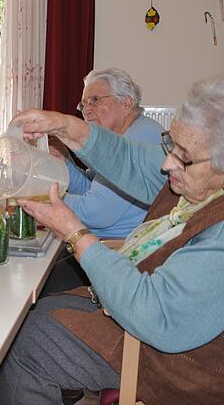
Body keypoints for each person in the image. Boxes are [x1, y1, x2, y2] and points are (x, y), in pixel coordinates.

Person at [0, 75, 224, 404]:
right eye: (171, 145)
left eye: (182, 156)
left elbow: (159, 317)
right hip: (176, 314)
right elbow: (133, 161)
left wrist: (75, 234)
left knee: (32, 344)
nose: (168, 163)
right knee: (34, 316)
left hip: (199, 355)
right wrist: (63, 125)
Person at [41, 68, 164, 294]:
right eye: (83, 104)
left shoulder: (142, 137)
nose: (86, 110)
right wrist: (64, 163)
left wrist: (41, 195)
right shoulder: (125, 135)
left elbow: (94, 211)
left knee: (37, 283)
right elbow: (91, 187)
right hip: (100, 244)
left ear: (126, 103)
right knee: (38, 261)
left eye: (95, 100)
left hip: (120, 256)